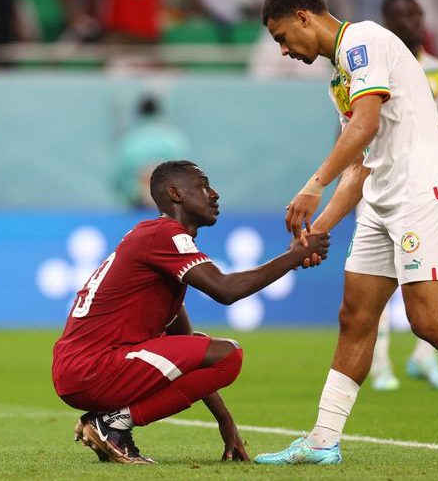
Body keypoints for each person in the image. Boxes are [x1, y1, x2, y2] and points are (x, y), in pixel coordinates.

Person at [254, 0, 438, 467]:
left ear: (305, 16)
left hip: (421, 193)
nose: (284, 50)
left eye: (281, 36)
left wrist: (312, 185)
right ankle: (322, 440)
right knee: (355, 316)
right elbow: (363, 163)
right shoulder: (339, 78)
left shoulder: (363, 41)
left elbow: (365, 126)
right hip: (382, 197)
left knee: (426, 319)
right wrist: (320, 225)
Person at [53, 160, 330, 464]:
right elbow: (225, 289)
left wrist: (225, 421)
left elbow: (193, 359)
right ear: (175, 193)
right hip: (92, 367)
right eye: (202, 185)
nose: (214, 194)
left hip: (85, 369)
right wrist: (295, 256)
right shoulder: (164, 234)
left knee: (206, 348)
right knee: (230, 353)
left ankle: (109, 421)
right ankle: (111, 425)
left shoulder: (157, 246)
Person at [369, 0, 438, 392]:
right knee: (374, 279)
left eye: (418, 12)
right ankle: (380, 366)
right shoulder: (376, 69)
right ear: (387, 22)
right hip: (383, 185)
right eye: (403, 14)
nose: (414, 19)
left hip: (431, 190)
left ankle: (424, 359)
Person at [113, 95, 190, 209]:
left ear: (138, 113)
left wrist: (134, 192)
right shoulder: (175, 140)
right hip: (171, 208)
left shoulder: (129, 141)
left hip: (137, 209)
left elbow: (118, 181)